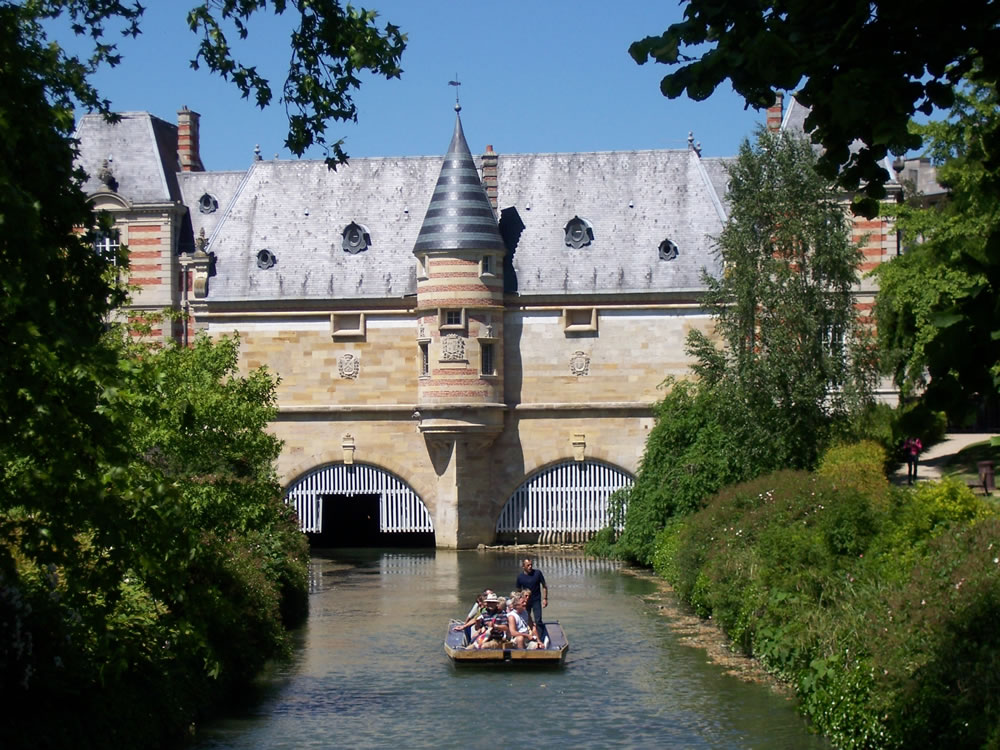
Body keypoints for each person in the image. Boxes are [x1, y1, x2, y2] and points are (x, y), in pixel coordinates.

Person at [515, 557, 548, 640]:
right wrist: (519, 603)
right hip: (526, 602)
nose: (530, 567)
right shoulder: (520, 577)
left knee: (538, 620)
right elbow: (518, 591)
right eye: (528, 565)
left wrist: (545, 598)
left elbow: (544, 586)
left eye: (531, 565)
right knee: (526, 620)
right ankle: (528, 636)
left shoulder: (537, 573)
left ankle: (540, 638)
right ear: (523, 567)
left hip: (536, 600)